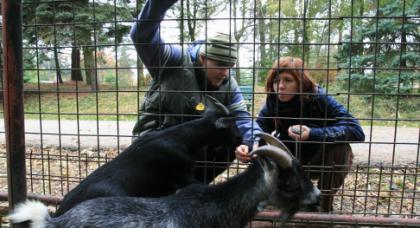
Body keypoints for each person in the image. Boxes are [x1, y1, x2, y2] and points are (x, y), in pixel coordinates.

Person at [130, 0, 261, 184]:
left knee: (230, 138)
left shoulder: (229, 84)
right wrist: (159, 4)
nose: (225, 72)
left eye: (230, 67)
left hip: (188, 150)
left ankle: (192, 191)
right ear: (202, 58)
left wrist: (252, 142)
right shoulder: (174, 60)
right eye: (220, 65)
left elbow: (242, 117)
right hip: (154, 145)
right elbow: (141, 35)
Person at [236, 57, 365, 212]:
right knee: (261, 147)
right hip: (287, 162)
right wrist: (249, 144)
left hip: (317, 159)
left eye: (288, 80)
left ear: (300, 82)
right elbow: (257, 128)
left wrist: (312, 133)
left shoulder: (319, 98)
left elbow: (356, 130)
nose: (281, 86)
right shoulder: (272, 102)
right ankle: (271, 199)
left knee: (341, 150)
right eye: (276, 81)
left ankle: (323, 207)